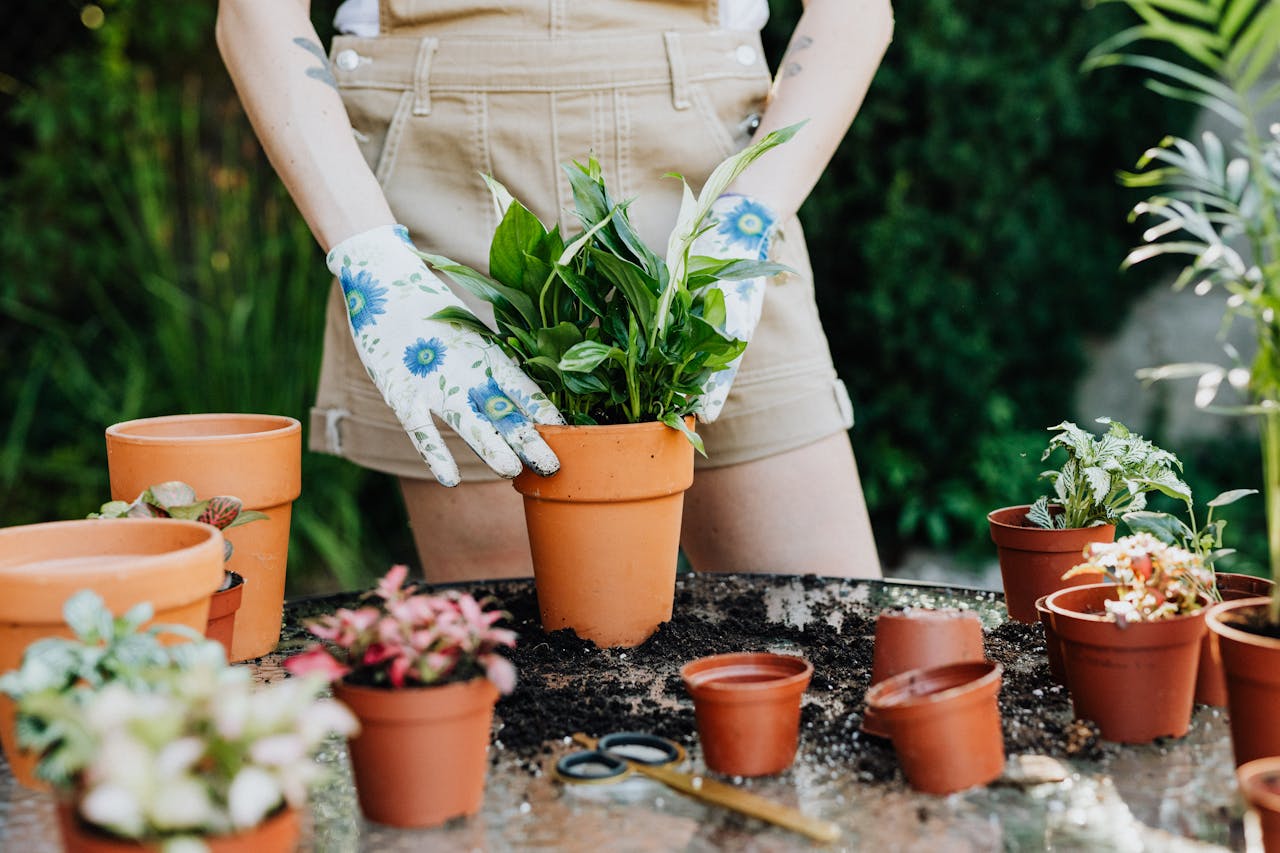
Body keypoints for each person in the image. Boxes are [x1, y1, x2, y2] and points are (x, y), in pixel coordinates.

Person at [216, 0, 894, 583]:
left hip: (702, 184)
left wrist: (751, 214)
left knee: (834, 640)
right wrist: (372, 259)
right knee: (533, 682)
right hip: (444, 180)